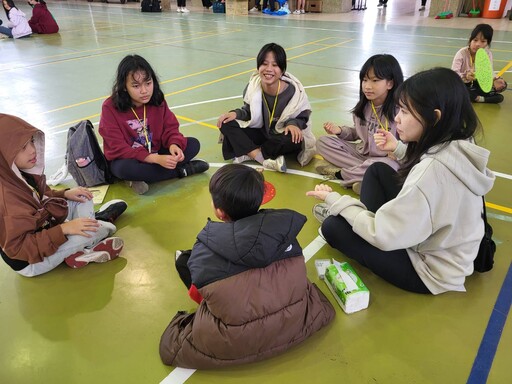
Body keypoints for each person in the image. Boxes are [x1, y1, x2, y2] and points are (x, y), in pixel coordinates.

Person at [307, 67, 495, 295]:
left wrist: (336, 201)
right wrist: (397, 148)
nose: (397, 118)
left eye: (405, 111)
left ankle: (355, 218)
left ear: (434, 117)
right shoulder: (461, 140)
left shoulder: (429, 174)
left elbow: (382, 235)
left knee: (333, 227)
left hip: (429, 271)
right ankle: (362, 218)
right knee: (377, 171)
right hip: (451, 250)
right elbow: (432, 160)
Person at [160, 164, 335, 368]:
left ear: (219, 212)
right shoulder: (286, 231)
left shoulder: (203, 251)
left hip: (237, 338)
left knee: (184, 261)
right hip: (294, 323)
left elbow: (200, 294)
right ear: (261, 199)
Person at [0, 114, 128, 277]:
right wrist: (64, 229)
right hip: (32, 261)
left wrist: (65, 193)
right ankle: (100, 225)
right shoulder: (7, 199)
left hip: (46, 229)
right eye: (22, 148)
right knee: (101, 230)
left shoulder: (21, 173)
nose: (33, 150)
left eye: (31, 141)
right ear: (5, 156)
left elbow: (42, 196)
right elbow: (21, 249)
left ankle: (83, 248)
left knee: (83, 197)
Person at [99, 54, 209, 195]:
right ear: (124, 87)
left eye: (148, 83)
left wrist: (174, 144)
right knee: (124, 169)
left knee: (193, 144)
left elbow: (170, 128)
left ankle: (141, 178)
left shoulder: (157, 100)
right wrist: (155, 159)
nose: (144, 91)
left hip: (155, 151)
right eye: (136, 86)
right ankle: (182, 171)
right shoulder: (110, 107)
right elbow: (117, 147)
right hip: (130, 158)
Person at [217, 43, 315, 173]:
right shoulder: (253, 86)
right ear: (258, 67)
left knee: (294, 138)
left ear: (282, 70)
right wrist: (235, 114)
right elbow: (248, 111)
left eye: (274, 65)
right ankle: (264, 159)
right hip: (262, 133)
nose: (269, 69)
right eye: (264, 64)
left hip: (281, 135)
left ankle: (248, 152)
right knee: (226, 123)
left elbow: (303, 115)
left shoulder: (293, 91)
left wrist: (293, 124)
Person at [316, 54, 403, 194]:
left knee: (388, 166)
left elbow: (410, 144)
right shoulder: (364, 106)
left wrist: (398, 150)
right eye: (365, 80)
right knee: (323, 142)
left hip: (386, 159)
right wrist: (340, 131)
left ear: (390, 83)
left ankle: (342, 174)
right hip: (362, 155)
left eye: (375, 80)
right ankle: (364, 177)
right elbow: (358, 132)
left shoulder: (400, 111)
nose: (367, 86)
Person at [452, 23, 507, 104]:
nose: (478, 44)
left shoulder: (487, 54)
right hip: (463, 83)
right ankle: (478, 98)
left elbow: (489, 71)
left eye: (483, 41)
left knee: (502, 89)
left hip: (477, 83)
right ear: (470, 40)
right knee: (456, 88)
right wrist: (465, 75)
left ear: (487, 43)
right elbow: (453, 74)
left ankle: (473, 96)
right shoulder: (462, 53)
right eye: (475, 40)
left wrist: (496, 79)